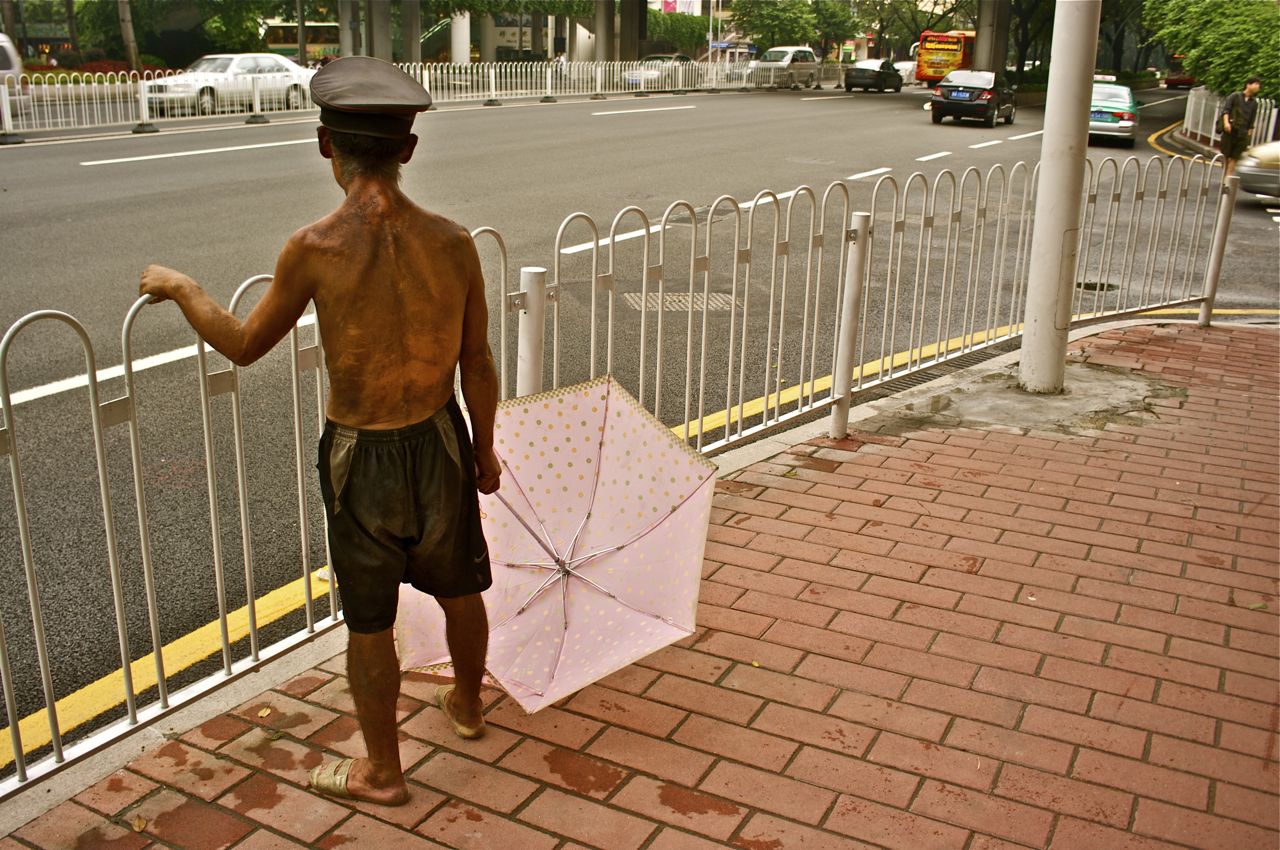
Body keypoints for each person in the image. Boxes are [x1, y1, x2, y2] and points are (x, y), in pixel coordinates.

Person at [138, 56, 501, 807]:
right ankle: (466, 705)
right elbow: (477, 361)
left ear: (324, 145)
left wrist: (183, 288)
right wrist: (485, 450)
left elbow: (242, 344)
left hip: (357, 454)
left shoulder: (314, 248)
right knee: (460, 585)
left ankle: (384, 772)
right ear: (407, 149)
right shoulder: (454, 242)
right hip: (439, 438)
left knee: (371, 619)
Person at [1219, 76, 1262, 179]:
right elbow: (1226, 111)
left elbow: (1252, 120)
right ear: (1248, 84)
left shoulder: (1254, 103)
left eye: (1258, 85)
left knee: (1235, 157)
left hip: (1243, 133)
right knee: (1226, 155)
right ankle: (1224, 173)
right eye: (1255, 84)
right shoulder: (1235, 96)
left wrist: (1249, 135)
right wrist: (1226, 123)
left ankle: (1228, 178)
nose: (1258, 87)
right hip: (1230, 131)